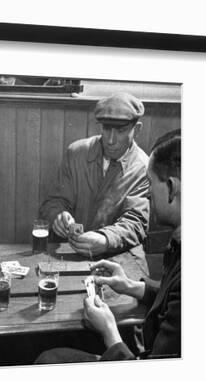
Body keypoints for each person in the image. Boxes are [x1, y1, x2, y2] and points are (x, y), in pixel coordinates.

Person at [36, 129, 181, 363]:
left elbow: (156, 379)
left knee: (47, 360)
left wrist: (110, 333)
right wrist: (134, 287)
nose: (150, 196)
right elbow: (172, 297)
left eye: (151, 184)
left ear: (172, 188)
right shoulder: (183, 244)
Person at [39, 92, 150, 260]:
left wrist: (106, 239)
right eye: (106, 129)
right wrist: (58, 215)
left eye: (121, 131)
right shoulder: (76, 152)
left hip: (115, 257)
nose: (111, 140)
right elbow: (54, 201)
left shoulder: (143, 168)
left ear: (138, 129)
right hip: (70, 252)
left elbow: (135, 222)